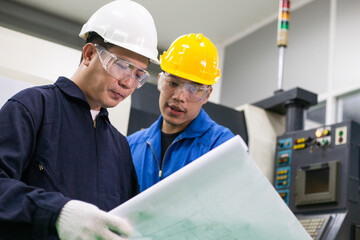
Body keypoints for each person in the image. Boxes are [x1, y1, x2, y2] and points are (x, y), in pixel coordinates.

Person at [0, 0, 159, 239]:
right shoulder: (31, 107)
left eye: (138, 75)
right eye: (122, 66)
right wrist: (57, 213)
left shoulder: (119, 147)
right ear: (89, 54)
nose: (128, 83)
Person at [127, 33, 246, 192]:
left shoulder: (220, 146)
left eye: (192, 89)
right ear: (161, 81)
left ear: (207, 95)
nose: (179, 97)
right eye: (173, 83)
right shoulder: (131, 147)